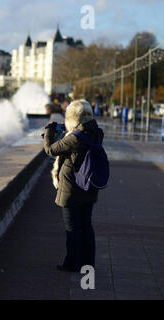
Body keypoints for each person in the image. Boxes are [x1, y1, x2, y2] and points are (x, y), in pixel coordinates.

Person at [43, 99, 102, 272]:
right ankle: (87, 262)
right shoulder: (97, 133)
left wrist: (48, 132)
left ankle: (72, 263)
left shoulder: (75, 138)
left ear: (73, 118)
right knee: (86, 225)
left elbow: (50, 150)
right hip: (89, 187)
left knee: (72, 228)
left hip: (71, 189)